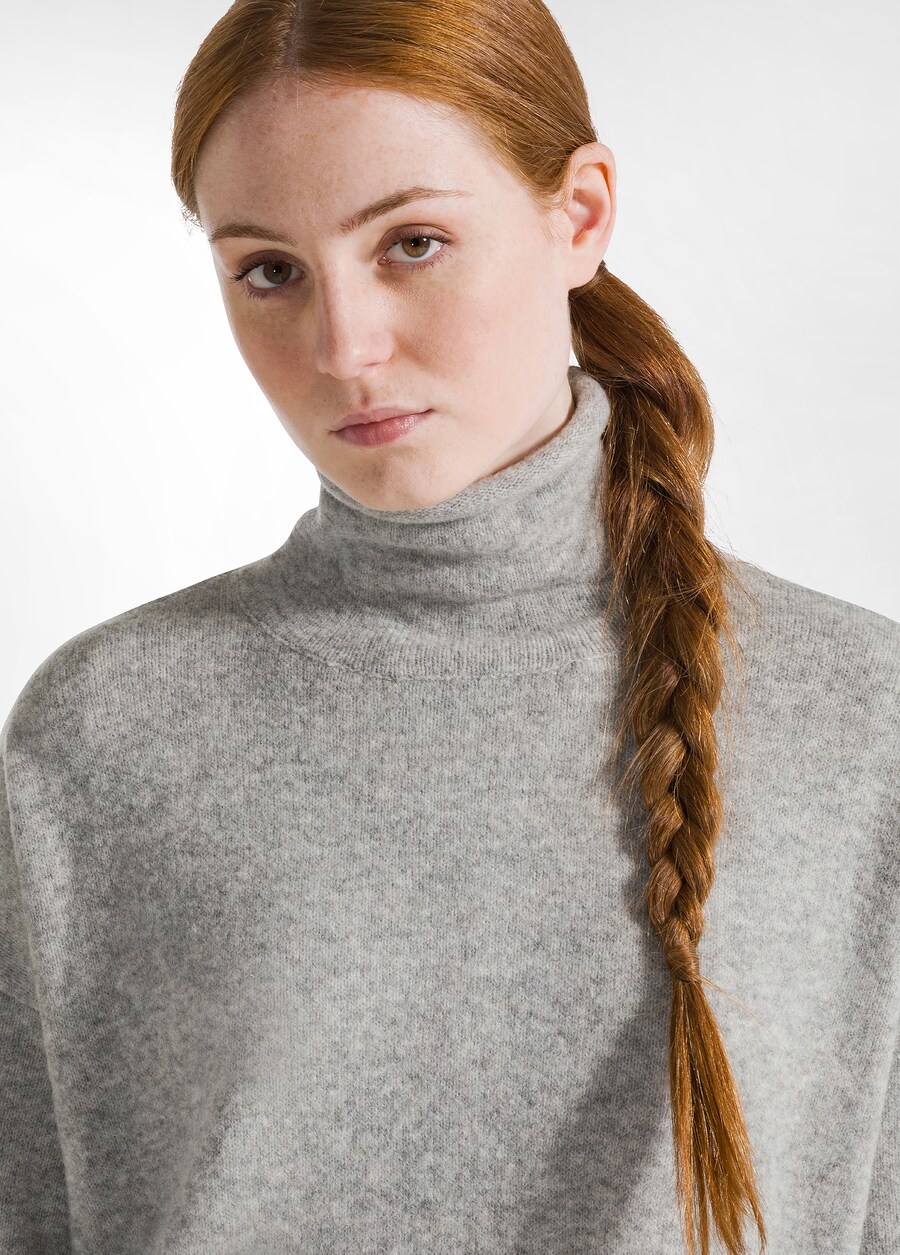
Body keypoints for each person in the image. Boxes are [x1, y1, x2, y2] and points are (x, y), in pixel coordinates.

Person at [0, 1, 897, 1252]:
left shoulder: (861, 719)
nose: (345, 347)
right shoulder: (102, 731)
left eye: (412, 243)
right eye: (269, 271)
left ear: (580, 214)